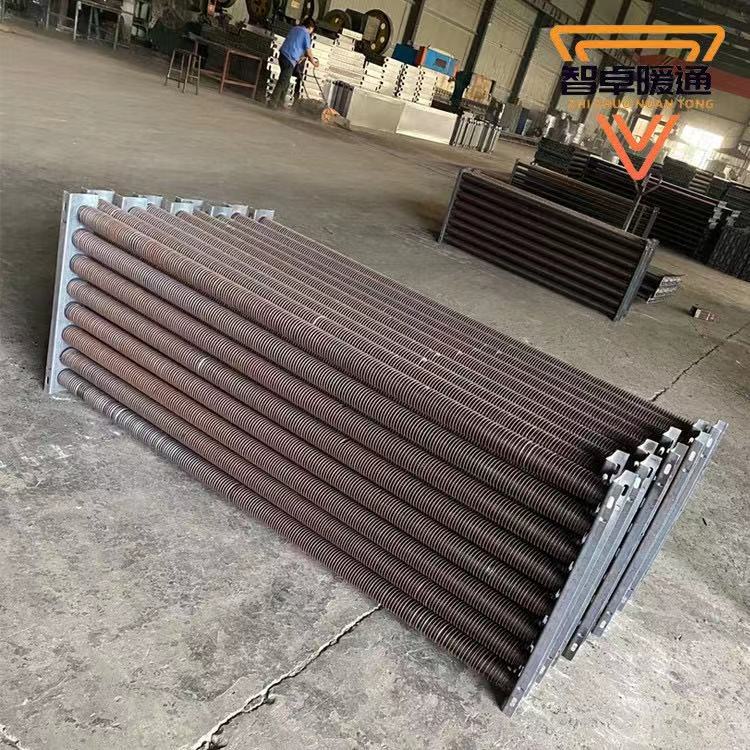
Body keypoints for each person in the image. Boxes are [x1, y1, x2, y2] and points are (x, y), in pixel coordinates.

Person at [269, 17, 318, 109]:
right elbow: (308, 51)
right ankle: (272, 103)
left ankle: (280, 104)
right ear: (311, 27)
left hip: (283, 55)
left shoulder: (295, 28)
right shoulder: (305, 33)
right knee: (283, 81)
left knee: (286, 81)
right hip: (289, 58)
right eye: (312, 30)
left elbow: (296, 43)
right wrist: (314, 62)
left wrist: (301, 57)